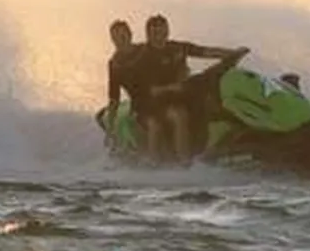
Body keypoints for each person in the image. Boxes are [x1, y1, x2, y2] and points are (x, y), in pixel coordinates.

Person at [142, 13, 248, 164]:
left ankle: (229, 144)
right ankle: (184, 162)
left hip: (183, 92)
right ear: (148, 34)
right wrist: (173, 87)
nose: (160, 35)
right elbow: (150, 90)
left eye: (163, 30)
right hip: (158, 102)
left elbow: (206, 51)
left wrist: (231, 53)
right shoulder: (143, 56)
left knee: (212, 96)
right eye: (155, 32)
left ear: (167, 30)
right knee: (180, 114)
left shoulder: (177, 47)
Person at [103, 19, 149, 150]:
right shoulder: (115, 64)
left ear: (130, 34)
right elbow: (114, 96)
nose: (120, 41)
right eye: (115, 38)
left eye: (123, 36)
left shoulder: (145, 50)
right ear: (112, 40)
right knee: (132, 122)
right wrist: (110, 127)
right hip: (138, 104)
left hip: (159, 96)